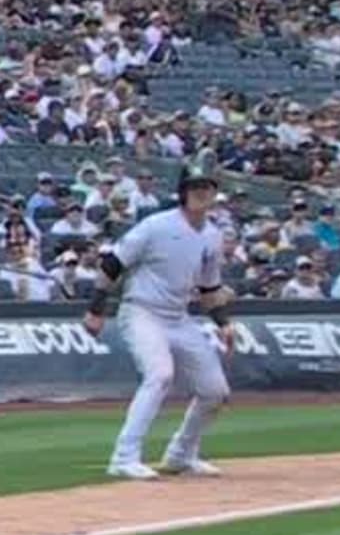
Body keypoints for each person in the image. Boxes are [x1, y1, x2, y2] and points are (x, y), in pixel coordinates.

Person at [86, 169, 233, 480]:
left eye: (206, 187)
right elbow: (113, 263)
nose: (201, 193)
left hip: (179, 317)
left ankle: (181, 455)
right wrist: (96, 309)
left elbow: (209, 288)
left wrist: (223, 322)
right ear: (182, 192)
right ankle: (124, 457)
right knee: (159, 375)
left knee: (214, 390)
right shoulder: (157, 226)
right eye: (194, 187)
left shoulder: (212, 235)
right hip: (142, 311)